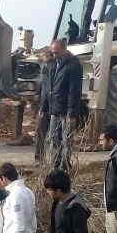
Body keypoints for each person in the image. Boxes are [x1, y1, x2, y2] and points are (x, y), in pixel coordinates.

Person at [46, 39, 83, 172]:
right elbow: (51, 88)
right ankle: (55, 165)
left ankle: (64, 166)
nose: (54, 55)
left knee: (66, 140)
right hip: (55, 110)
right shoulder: (55, 64)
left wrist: (71, 114)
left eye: (56, 52)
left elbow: (74, 91)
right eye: (53, 53)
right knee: (54, 139)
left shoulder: (73, 64)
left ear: (64, 49)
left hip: (66, 111)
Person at [36, 49, 55, 162]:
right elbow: (43, 88)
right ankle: (41, 158)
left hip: (49, 107)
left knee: (45, 133)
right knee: (42, 133)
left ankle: (41, 158)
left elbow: (48, 90)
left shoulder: (50, 68)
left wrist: (42, 108)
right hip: (46, 106)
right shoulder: (45, 68)